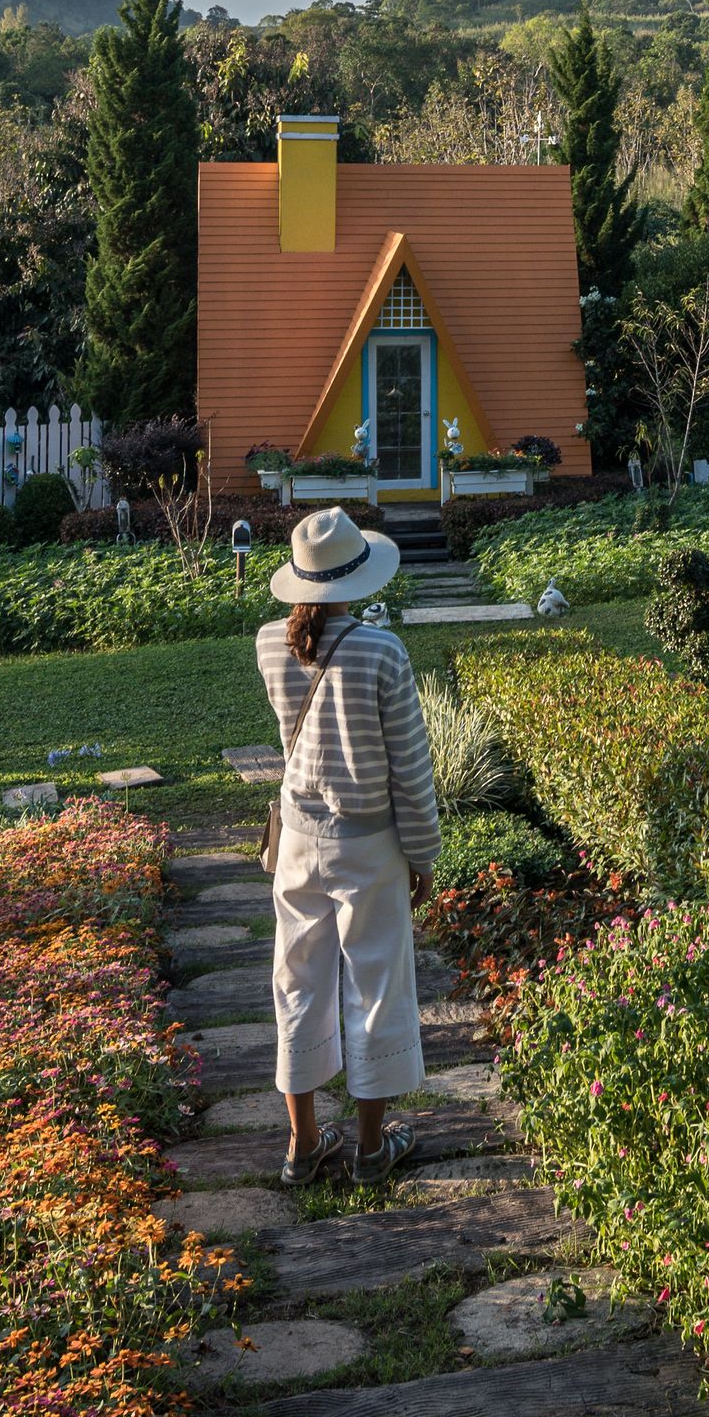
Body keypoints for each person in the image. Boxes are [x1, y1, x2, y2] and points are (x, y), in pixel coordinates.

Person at [257, 504, 440, 1186]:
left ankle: (303, 1144)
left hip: (299, 839)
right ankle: (369, 1148)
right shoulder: (383, 652)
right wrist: (421, 852)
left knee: (296, 982)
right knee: (375, 983)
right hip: (369, 844)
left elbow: (290, 742)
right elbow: (410, 770)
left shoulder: (269, 642)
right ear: (356, 578)